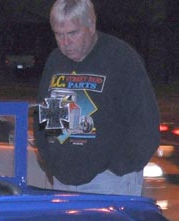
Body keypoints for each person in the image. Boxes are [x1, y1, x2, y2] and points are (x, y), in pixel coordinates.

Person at [35, 0, 160, 196]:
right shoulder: (55, 61)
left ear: (91, 25)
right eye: (59, 35)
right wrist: (51, 160)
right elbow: (45, 117)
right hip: (63, 181)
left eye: (72, 33)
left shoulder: (120, 58)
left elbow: (145, 123)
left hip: (109, 182)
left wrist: (117, 169)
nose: (65, 43)